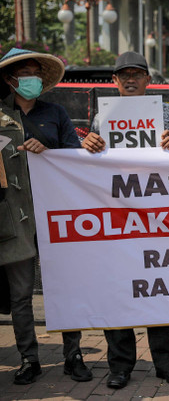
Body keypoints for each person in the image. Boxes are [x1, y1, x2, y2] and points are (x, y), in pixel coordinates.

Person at [81, 51, 169, 389]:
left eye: (136, 74)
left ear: (147, 80)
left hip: (160, 217)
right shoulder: (102, 118)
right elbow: (92, 163)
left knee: (163, 289)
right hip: (120, 218)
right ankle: (121, 366)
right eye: (123, 75)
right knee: (118, 290)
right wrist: (89, 145)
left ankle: (168, 365)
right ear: (114, 81)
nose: (130, 79)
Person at [0, 47, 93, 384]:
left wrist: (47, 150)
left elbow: (73, 159)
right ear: (11, 79)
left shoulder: (56, 114)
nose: (32, 79)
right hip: (14, 219)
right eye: (26, 72)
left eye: (37, 72)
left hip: (56, 215)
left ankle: (74, 355)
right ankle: (29, 359)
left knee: (65, 286)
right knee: (21, 294)